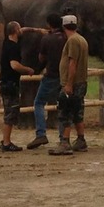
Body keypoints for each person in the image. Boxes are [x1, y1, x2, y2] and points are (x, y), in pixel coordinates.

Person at [48, 15, 89, 156]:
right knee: (78, 112)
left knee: (65, 113)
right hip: (81, 82)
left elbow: (72, 63)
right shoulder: (81, 39)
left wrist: (68, 84)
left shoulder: (72, 41)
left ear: (64, 26)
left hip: (72, 83)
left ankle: (65, 142)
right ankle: (81, 139)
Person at [27, 13, 67, 150]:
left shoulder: (46, 39)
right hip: (64, 77)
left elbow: (41, 58)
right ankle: (63, 137)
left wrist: (36, 69)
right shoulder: (67, 38)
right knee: (63, 106)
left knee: (38, 103)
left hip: (50, 76)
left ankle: (41, 133)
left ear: (49, 24)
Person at [0, 21, 35, 152]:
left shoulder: (6, 43)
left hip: (5, 83)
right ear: (15, 31)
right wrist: (28, 70)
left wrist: (37, 30)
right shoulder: (13, 47)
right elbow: (15, 65)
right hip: (10, 84)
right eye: (19, 29)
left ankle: (5, 140)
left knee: (9, 112)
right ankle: (7, 143)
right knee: (10, 114)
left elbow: (23, 29)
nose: (21, 30)